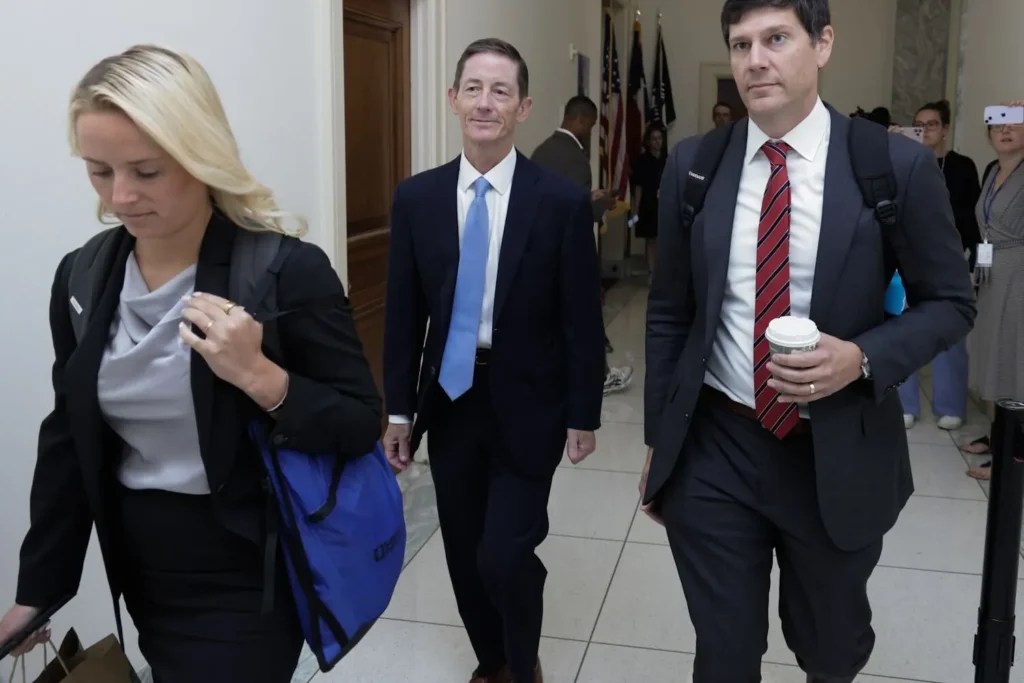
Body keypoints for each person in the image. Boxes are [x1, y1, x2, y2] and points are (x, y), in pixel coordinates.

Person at [0, 45, 382, 681]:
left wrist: (261, 377)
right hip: (142, 567)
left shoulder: (285, 272)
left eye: (146, 172)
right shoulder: (84, 277)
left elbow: (356, 423)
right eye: (99, 171)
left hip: (248, 571)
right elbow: (70, 433)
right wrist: (40, 586)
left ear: (202, 157)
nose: (120, 196)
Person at [641, 1, 975, 681]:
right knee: (725, 650)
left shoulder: (892, 167)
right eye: (740, 44)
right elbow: (670, 312)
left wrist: (863, 357)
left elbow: (951, 301)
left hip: (836, 449)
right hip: (717, 443)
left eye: (776, 38)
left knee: (828, 644)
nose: (755, 59)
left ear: (822, 44)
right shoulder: (696, 166)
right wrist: (660, 442)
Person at [381, 39, 605, 683]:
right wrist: (398, 410)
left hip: (530, 401)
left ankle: (522, 659)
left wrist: (582, 411)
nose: (485, 102)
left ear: (523, 107)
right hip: (449, 401)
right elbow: (403, 317)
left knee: (505, 553)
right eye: (473, 88)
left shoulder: (558, 202)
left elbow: (581, 320)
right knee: (462, 552)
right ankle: (493, 662)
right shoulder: (417, 199)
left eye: (500, 91)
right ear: (453, 98)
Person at [530, 95, 633, 396]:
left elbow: (551, 199)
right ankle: (598, 378)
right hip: (569, 254)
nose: (590, 131)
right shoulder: (576, 158)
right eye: (590, 124)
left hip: (539, 250)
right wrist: (603, 205)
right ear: (580, 120)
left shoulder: (542, 150)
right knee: (585, 318)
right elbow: (574, 214)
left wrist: (589, 196)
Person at [894, 100, 982, 430]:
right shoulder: (900, 161)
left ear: (944, 129)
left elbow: (972, 218)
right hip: (904, 259)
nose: (925, 130)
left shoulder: (962, 167)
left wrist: (973, 259)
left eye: (931, 124)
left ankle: (950, 404)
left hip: (948, 257)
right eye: (918, 124)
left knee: (951, 332)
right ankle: (903, 403)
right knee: (902, 330)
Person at [963, 100, 1024, 480]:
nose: (1005, 130)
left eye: (1016, 124)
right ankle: (997, 432)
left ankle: (1013, 453)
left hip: (1019, 275)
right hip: (991, 273)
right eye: (998, 124)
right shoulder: (991, 170)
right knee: (995, 354)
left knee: (1016, 359)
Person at [630, 123, 668, 280]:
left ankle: (662, 272)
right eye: (653, 139)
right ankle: (652, 272)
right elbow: (638, 187)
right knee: (651, 238)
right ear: (648, 141)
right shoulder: (642, 161)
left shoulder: (669, 159)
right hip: (648, 204)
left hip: (665, 204)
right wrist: (635, 209)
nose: (657, 142)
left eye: (659, 138)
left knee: (663, 238)